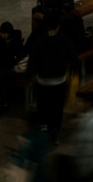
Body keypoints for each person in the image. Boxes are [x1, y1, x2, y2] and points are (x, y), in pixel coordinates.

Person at [25, 13, 78, 144]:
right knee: (57, 108)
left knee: (42, 106)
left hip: (42, 81)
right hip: (59, 81)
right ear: (58, 25)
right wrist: (74, 71)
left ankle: (43, 128)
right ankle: (55, 133)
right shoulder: (64, 40)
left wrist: (29, 76)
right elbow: (73, 58)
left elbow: (33, 60)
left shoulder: (40, 40)